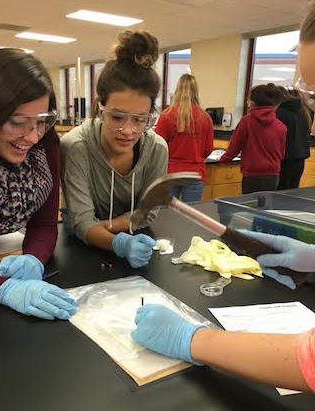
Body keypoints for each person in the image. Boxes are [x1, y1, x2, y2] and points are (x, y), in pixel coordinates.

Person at [130, 3, 315, 392]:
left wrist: (192, 340)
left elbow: (307, 362)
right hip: (202, 171)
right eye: (311, 93)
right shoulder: (202, 116)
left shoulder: (171, 117)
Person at [0, 48, 76, 320]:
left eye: (42, 121)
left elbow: (45, 224)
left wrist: (34, 257)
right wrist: (0, 289)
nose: (32, 137)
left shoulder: (45, 146)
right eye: (18, 122)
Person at [60, 30, 168, 268]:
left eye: (140, 120)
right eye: (118, 117)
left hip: (137, 241)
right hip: (81, 247)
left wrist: (104, 228)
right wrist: (119, 242)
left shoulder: (156, 149)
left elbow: (148, 213)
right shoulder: (76, 146)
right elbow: (80, 221)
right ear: (101, 109)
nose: (128, 131)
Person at [155, 74, 213, 202]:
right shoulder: (205, 117)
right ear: (196, 92)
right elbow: (208, 149)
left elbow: (159, 146)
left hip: (170, 172)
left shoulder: (166, 116)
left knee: (168, 213)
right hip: (194, 173)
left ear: (177, 90)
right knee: (191, 215)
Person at [219, 83, 286, 194]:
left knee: (249, 208)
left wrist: (224, 160)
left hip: (252, 175)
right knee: (266, 208)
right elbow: (281, 153)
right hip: (273, 175)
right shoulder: (281, 126)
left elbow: (235, 146)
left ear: (253, 103)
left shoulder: (247, 121)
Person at [276, 87, 311, 190]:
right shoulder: (302, 111)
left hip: (286, 158)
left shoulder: (280, 113)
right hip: (300, 158)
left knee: (281, 192)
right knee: (292, 192)